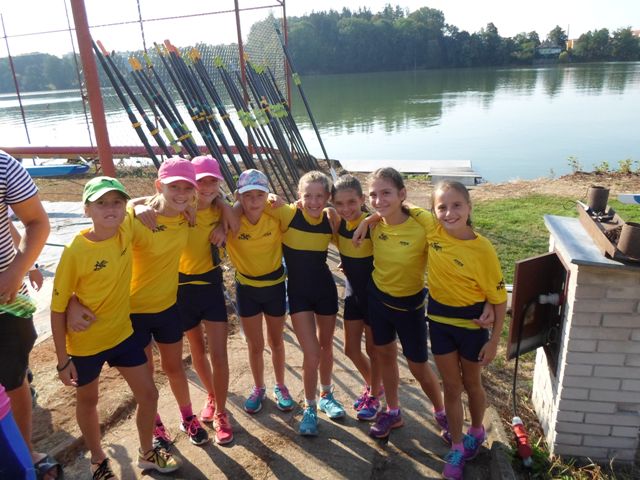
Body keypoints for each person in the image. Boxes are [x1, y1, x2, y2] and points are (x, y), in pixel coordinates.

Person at [50, 176, 179, 478]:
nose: (110, 209)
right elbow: (57, 308)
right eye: (101, 203)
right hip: (86, 343)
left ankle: (147, 453)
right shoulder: (75, 251)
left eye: (116, 202)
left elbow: (149, 204)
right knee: (89, 401)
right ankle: (98, 461)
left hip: (123, 334)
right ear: (86, 209)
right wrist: (62, 360)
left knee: (149, 394)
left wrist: (141, 204)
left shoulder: (125, 229)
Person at [353, 167, 448, 440]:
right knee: (384, 357)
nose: (379, 200)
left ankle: (442, 412)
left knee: (418, 366)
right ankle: (393, 411)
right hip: (379, 301)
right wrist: (368, 220)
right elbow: (377, 215)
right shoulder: (376, 225)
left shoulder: (423, 227)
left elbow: (435, 225)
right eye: (373, 195)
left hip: (410, 307)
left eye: (386, 193)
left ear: (402, 194)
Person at [424, 181, 507, 480]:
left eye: (457, 205)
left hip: (473, 328)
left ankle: (476, 430)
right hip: (440, 324)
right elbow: (395, 207)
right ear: (434, 212)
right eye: (442, 207)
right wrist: (367, 220)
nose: (449, 213)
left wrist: (494, 341)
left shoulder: (482, 249)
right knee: (451, 386)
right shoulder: (432, 232)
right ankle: (457, 446)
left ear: (469, 207)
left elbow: (499, 298)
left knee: (472, 383)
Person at [128, 158, 208, 448]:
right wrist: (134, 206)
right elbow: (105, 214)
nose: (181, 193)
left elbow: (219, 199)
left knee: (174, 368)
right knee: (146, 376)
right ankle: (155, 425)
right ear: (159, 185)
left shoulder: (186, 214)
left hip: (167, 307)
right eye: (174, 187)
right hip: (133, 311)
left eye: (188, 188)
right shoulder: (138, 218)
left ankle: (188, 418)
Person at [267, 171, 343, 436]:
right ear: (299, 196)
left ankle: (326, 395)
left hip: (325, 290)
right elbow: (253, 201)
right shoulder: (289, 214)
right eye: (308, 195)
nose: (313, 201)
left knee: (326, 347)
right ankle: (309, 407)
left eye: (319, 196)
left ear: (328, 197)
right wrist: (271, 196)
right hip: (299, 293)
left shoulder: (331, 219)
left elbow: (350, 233)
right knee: (312, 354)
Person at [220, 169, 294, 417]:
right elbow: (215, 207)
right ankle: (259, 387)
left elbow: (298, 211)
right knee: (255, 345)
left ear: (267, 195)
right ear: (238, 196)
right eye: (248, 195)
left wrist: (278, 201)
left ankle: (280, 386)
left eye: (259, 195)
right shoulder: (230, 220)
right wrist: (226, 217)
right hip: (247, 289)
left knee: (276, 342)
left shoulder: (274, 215)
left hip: (275, 287)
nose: (254, 201)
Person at [0, 150, 56, 479]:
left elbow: (36, 221)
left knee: (13, 379)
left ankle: (25, 452)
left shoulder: (4, 165)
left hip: (6, 301)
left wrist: (19, 269)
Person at [176, 156, 232, 445]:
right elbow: (140, 204)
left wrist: (223, 225)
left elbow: (237, 217)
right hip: (180, 288)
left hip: (210, 286)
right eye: (201, 181)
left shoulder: (221, 209)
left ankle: (222, 412)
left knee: (219, 354)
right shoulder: (177, 209)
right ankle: (211, 395)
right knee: (197, 351)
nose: (207, 186)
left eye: (213, 181)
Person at [330, 174, 383, 421]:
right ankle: (374, 385)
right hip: (352, 293)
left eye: (351, 202)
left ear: (362, 199)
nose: (346, 209)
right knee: (350, 349)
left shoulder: (372, 225)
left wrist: (371, 217)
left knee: (373, 350)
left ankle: (374, 395)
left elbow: (397, 212)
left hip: (374, 297)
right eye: (339, 204)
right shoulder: (339, 225)